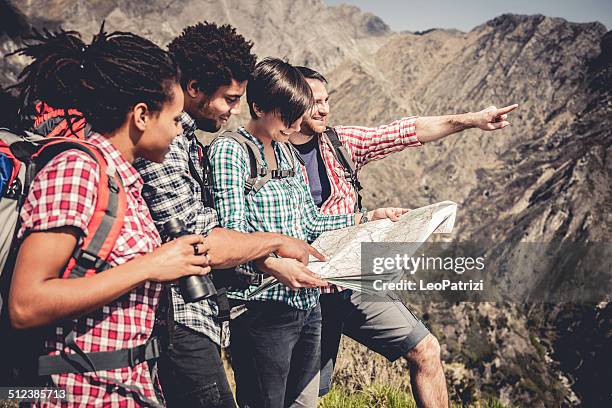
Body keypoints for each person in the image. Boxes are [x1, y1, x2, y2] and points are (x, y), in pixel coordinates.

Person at [289, 66, 519, 408]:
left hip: (353, 284)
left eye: (326, 100)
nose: (323, 109)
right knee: (304, 396)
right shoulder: (272, 153)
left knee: (426, 350)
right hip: (303, 289)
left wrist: (472, 119)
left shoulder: (340, 143)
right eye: (314, 102)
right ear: (291, 102)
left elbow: (404, 131)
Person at [7, 26, 210, 407]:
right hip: (78, 396)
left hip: (124, 393)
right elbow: (26, 303)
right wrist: (151, 266)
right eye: (175, 118)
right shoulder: (77, 170)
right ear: (142, 116)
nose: (179, 131)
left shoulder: (122, 181)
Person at [134, 23, 325, 408]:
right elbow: (203, 238)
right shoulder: (167, 146)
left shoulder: (187, 141)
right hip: (175, 315)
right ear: (194, 89)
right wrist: (275, 245)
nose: (235, 110)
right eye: (229, 99)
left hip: (196, 314)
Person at [209, 57, 405, 408]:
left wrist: (368, 218)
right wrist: (271, 264)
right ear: (258, 107)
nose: (296, 123)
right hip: (262, 309)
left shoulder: (287, 152)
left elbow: (311, 224)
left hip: (307, 305)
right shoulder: (231, 151)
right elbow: (231, 234)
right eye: (288, 115)